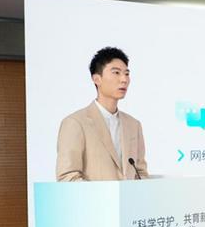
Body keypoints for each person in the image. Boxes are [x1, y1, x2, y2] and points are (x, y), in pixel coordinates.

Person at [56, 47, 148, 181]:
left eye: (127, 74)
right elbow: (67, 176)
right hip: (93, 196)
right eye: (116, 73)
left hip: (129, 196)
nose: (124, 79)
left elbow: (141, 173)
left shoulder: (134, 125)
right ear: (96, 79)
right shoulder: (75, 123)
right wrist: (102, 194)